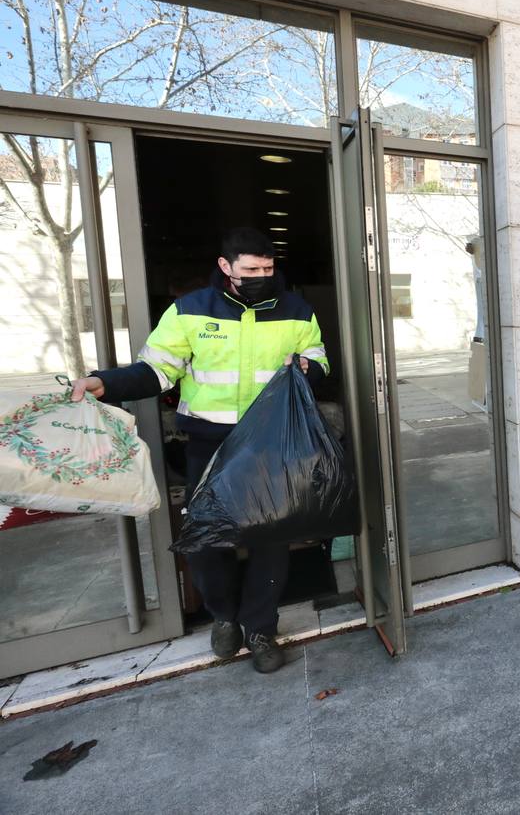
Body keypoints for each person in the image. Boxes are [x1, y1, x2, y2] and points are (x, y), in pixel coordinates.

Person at [71, 227, 329, 673]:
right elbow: (156, 371)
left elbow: (319, 360)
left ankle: (260, 629)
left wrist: (309, 366)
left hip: (271, 445)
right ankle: (224, 617)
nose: (261, 276)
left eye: (268, 269)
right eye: (251, 269)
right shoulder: (190, 311)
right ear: (226, 267)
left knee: (271, 541)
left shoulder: (296, 310)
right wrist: (106, 382)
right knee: (208, 542)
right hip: (210, 446)